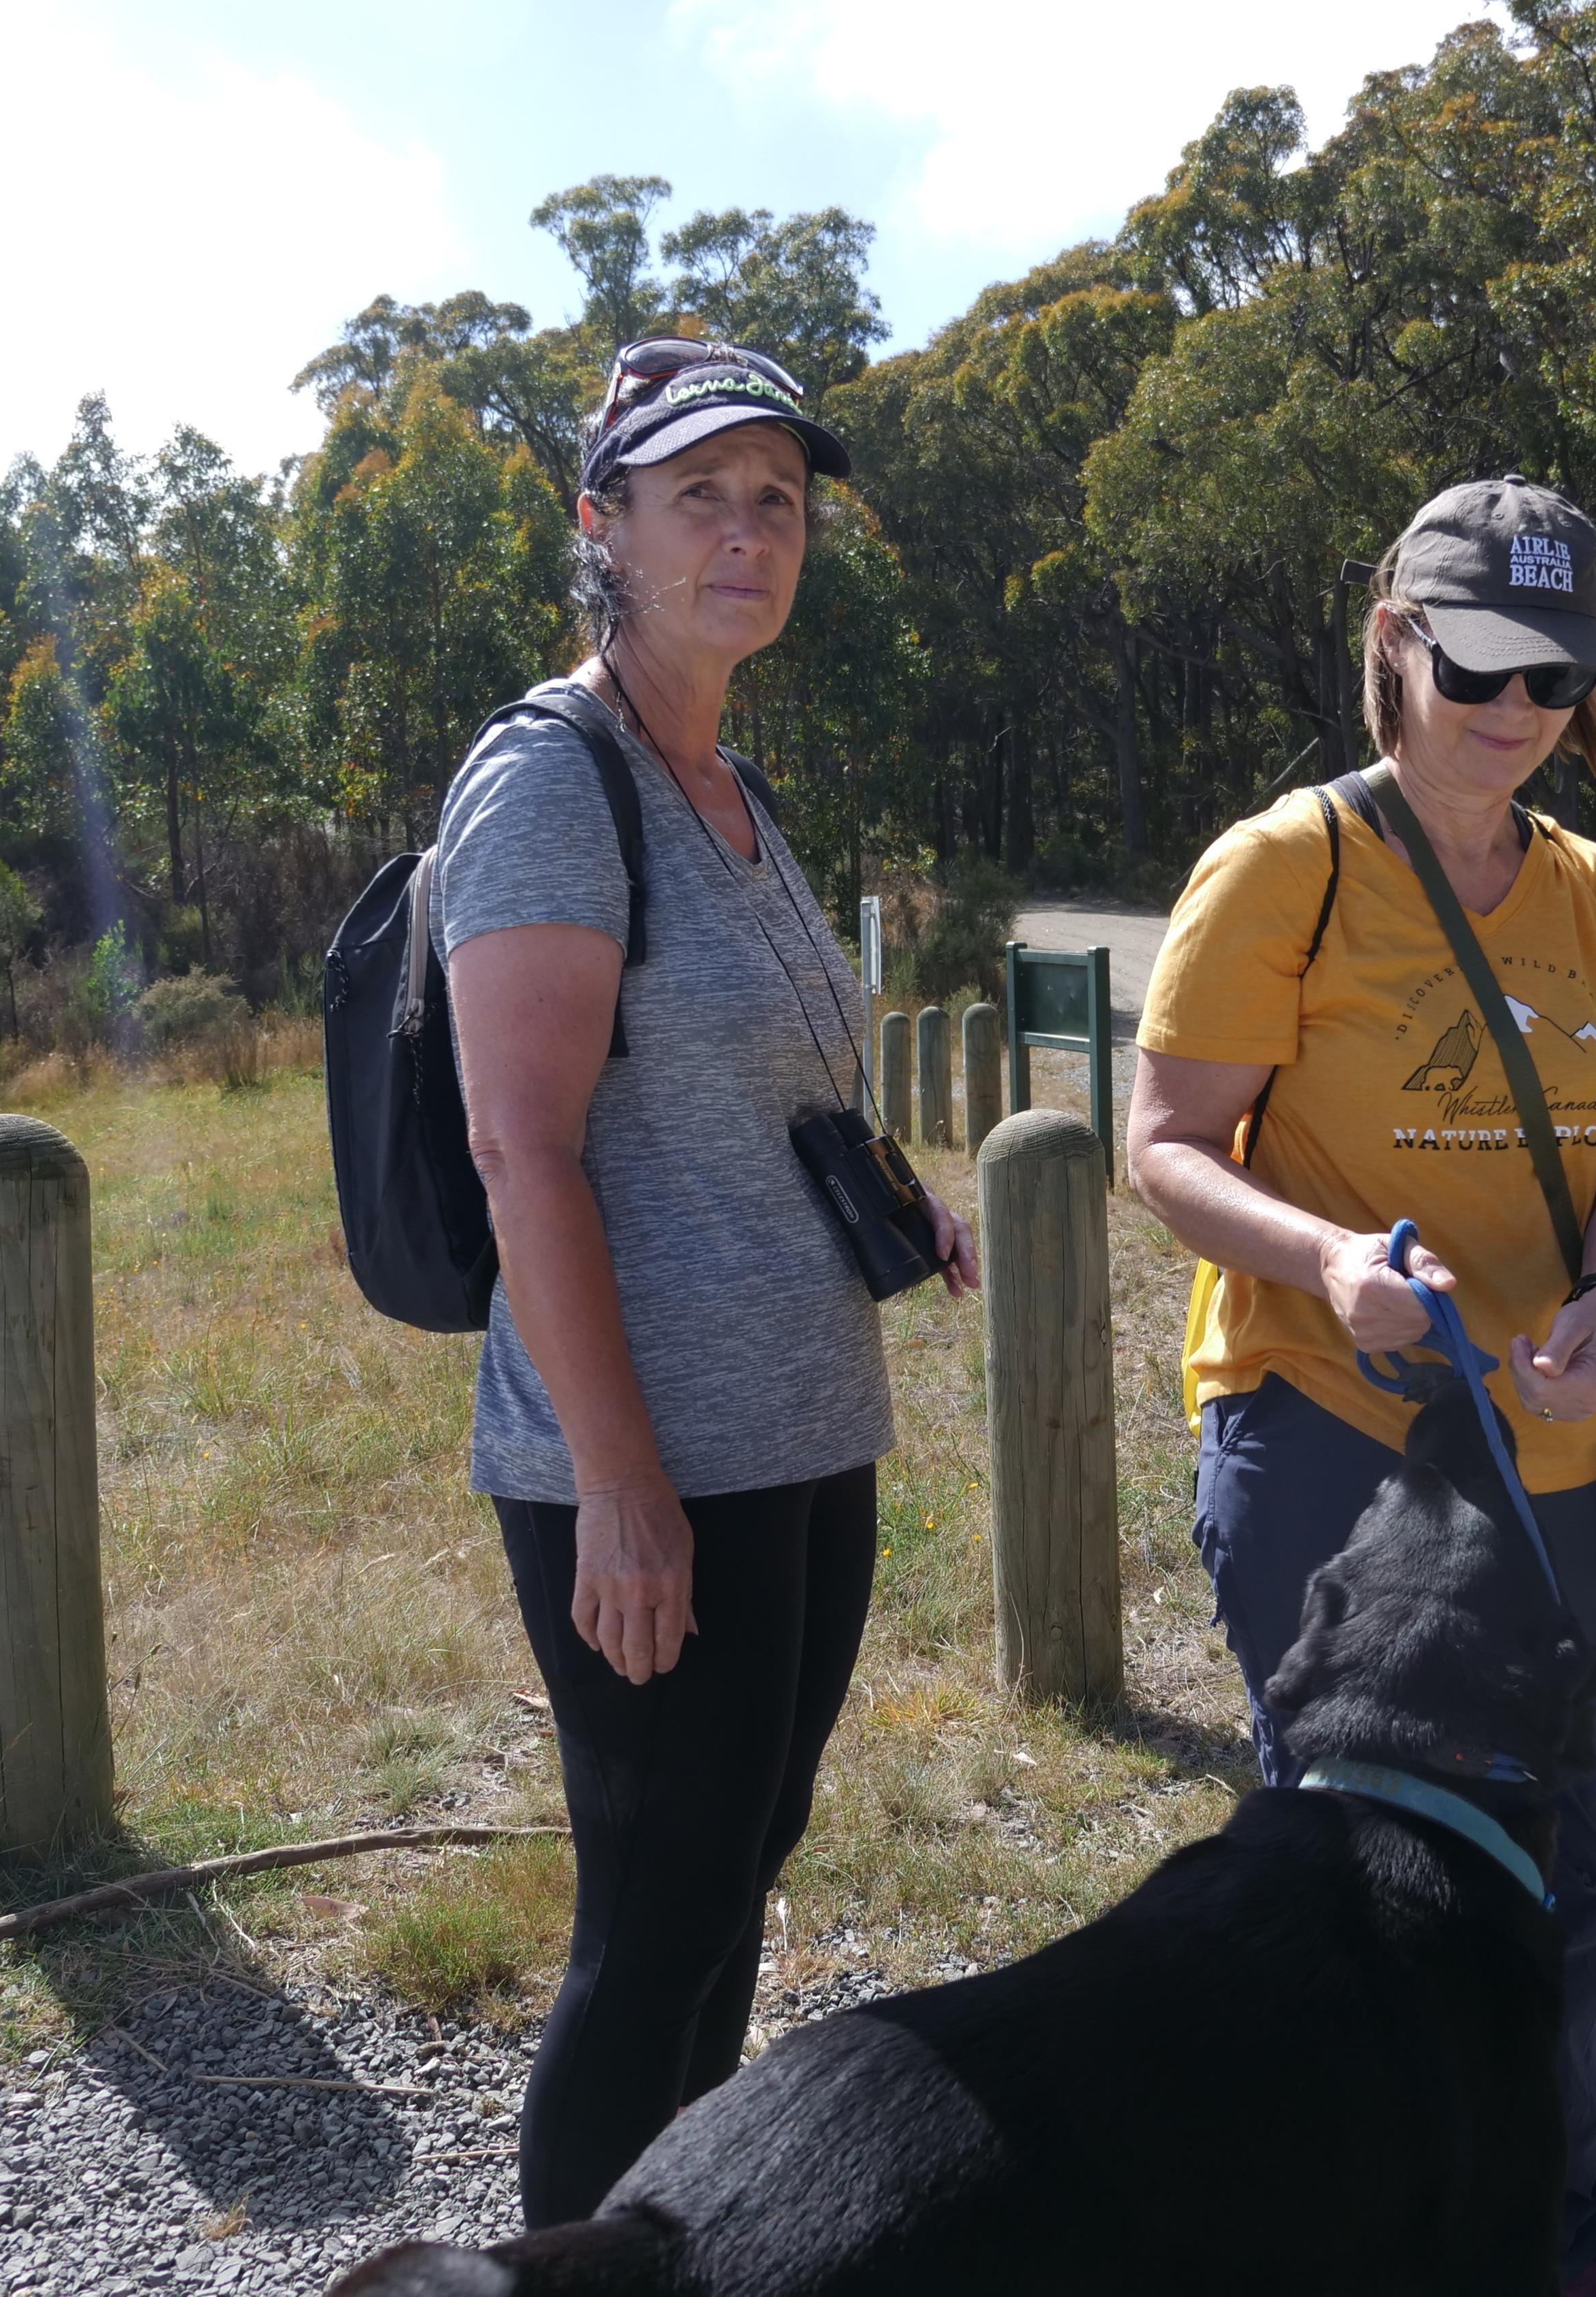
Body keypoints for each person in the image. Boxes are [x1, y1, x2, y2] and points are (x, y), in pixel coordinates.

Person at [1123, 475, 1596, 2297]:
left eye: (1555, 680)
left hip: (1556, 1452)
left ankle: (1556, 2230)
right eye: (1481, 670)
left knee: (1561, 1876)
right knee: (1354, 1892)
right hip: (1332, 1444)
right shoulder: (1285, 866)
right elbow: (1166, 1147)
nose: (1518, 714)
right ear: (1397, 641)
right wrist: (1328, 1264)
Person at [435, 338, 979, 2230]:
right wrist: (621, 1482)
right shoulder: (551, 776)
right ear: (605, 529)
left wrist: (906, 1209)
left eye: (780, 501)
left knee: (741, 1865)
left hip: (807, 1434)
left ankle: (681, 2258)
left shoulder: (732, 784)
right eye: (700, 499)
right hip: (662, 1458)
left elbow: (784, 1089)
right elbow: (526, 1145)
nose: (751, 535)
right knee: (655, 1917)